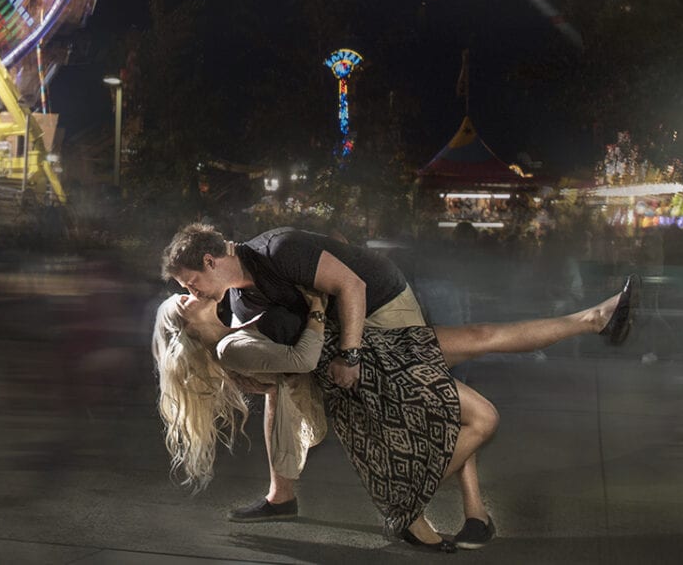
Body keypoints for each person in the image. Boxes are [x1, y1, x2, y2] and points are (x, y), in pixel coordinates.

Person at [163, 222, 634, 548]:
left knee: (453, 374)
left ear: (210, 259)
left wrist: (347, 355)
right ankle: (286, 496)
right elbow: (287, 372)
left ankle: (462, 510)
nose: (193, 293)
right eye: (186, 295)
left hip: (379, 301)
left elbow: (352, 287)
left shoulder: (276, 250)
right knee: (462, 367)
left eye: (191, 283)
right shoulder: (240, 310)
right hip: (354, 347)